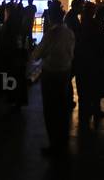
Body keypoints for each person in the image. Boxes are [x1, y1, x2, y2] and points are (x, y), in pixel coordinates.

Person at [32, 8, 75, 156]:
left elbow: (37, 54)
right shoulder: (69, 33)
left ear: (50, 18)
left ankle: (54, 143)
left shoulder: (50, 34)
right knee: (62, 107)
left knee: (50, 109)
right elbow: (71, 53)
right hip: (64, 72)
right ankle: (63, 138)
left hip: (50, 73)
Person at [73, 2, 104, 126]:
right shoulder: (93, 24)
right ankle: (94, 111)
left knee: (85, 89)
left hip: (84, 61)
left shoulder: (82, 24)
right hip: (92, 61)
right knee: (94, 87)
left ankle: (86, 113)